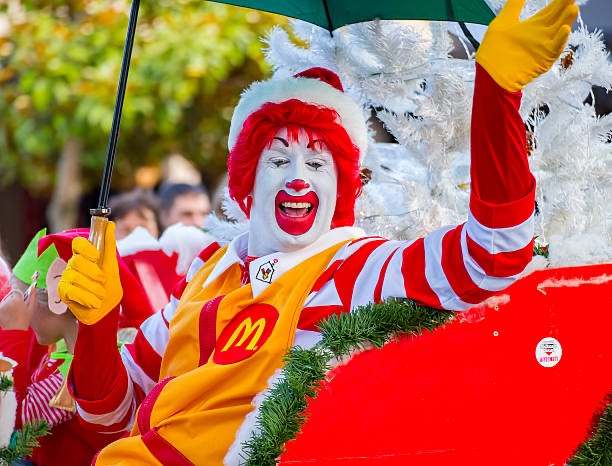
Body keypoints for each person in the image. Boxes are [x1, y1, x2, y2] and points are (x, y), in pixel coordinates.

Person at [58, 0, 578, 463]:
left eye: (317, 163)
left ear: (342, 187)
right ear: (246, 180)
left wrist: (496, 93)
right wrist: (98, 324)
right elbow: (110, 416)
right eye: (278, 159)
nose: (298, 179)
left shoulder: (354, 268)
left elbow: (492, 253)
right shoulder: (206, 271)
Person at [0, 228, 158, 466]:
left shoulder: (75, 372)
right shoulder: (61, 354)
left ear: (57, 300)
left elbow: (12, 420)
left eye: (21, 299)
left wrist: (14, 331)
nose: (13, 309)